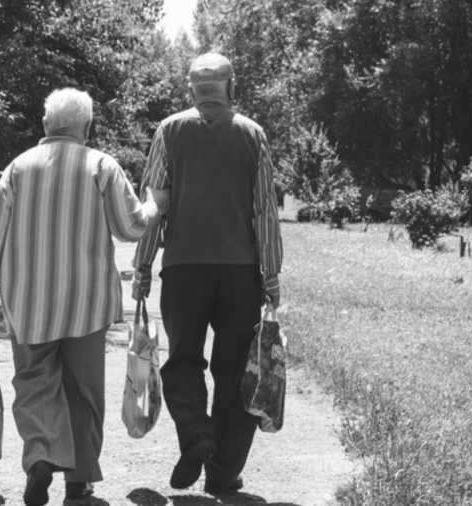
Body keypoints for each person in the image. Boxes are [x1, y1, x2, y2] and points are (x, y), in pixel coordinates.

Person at [0, 87, 167, 506]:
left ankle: (41, 456)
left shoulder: (18, 168)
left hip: (29, 305)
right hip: (86, 306)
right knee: (84, 392)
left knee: (34, 383)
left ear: (46, 125)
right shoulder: (101, 165)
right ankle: (78, 482)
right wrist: (154, 204)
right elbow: (131, 227)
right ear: (87, 126)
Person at [132, 53, 283, 496]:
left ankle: (196, 433)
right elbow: (264, 213)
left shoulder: (169, 130)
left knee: (182, 361)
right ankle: (223, 473)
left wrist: (142, 265)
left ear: (191, 89)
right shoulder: (252, 134)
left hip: (183, 270)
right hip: (240, 274)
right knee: (236, 370)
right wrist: (270, 276)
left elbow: (153, 205)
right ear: (230, 86)